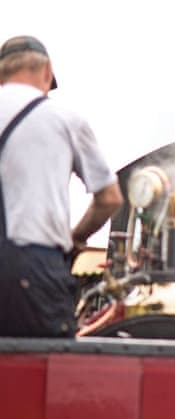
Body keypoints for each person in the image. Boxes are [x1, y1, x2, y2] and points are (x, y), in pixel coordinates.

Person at [0, 35, 123, 337]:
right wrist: (76, 238)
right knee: (43, 371)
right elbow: (109, 198)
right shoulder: (63, 119)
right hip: (30, 268)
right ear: (46, 72)